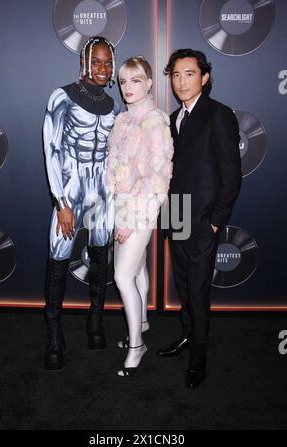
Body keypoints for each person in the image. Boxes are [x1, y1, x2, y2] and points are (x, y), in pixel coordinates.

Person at [157, 49, 242, 388]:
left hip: (203, 220)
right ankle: (187, 337)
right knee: (182, 284)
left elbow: (231, 173)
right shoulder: (173, 118)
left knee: (197, 290)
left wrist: (216, 220)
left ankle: (199, 356)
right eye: (176, 75)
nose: (181, 81)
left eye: (189, 74)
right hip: (175, 214)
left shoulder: (218, 114)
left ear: (204, 78)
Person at [42, 36, 119, 371]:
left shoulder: (115, 105)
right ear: (84, 63)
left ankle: (95, 323)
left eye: (107, 62)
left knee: (101, 257)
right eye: (97, 61)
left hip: (102, 190)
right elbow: (52, 149)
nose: (102, 68)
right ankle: (54, 338)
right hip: (71, 189)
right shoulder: (62, 96)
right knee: (58, 259)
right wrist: (61, 202)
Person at [106, 56, 173, 376]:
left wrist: (130, 220)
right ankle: (143, 323)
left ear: (149, 83)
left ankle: (136, 345)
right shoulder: (122, 120)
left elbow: (157, 178)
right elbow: (115, 171)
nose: (128, 88)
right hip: (122, 205)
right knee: (138, 268)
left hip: (142, 210)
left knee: (121, 275)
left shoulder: (156, 121)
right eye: (123, 82)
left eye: (135, 81)